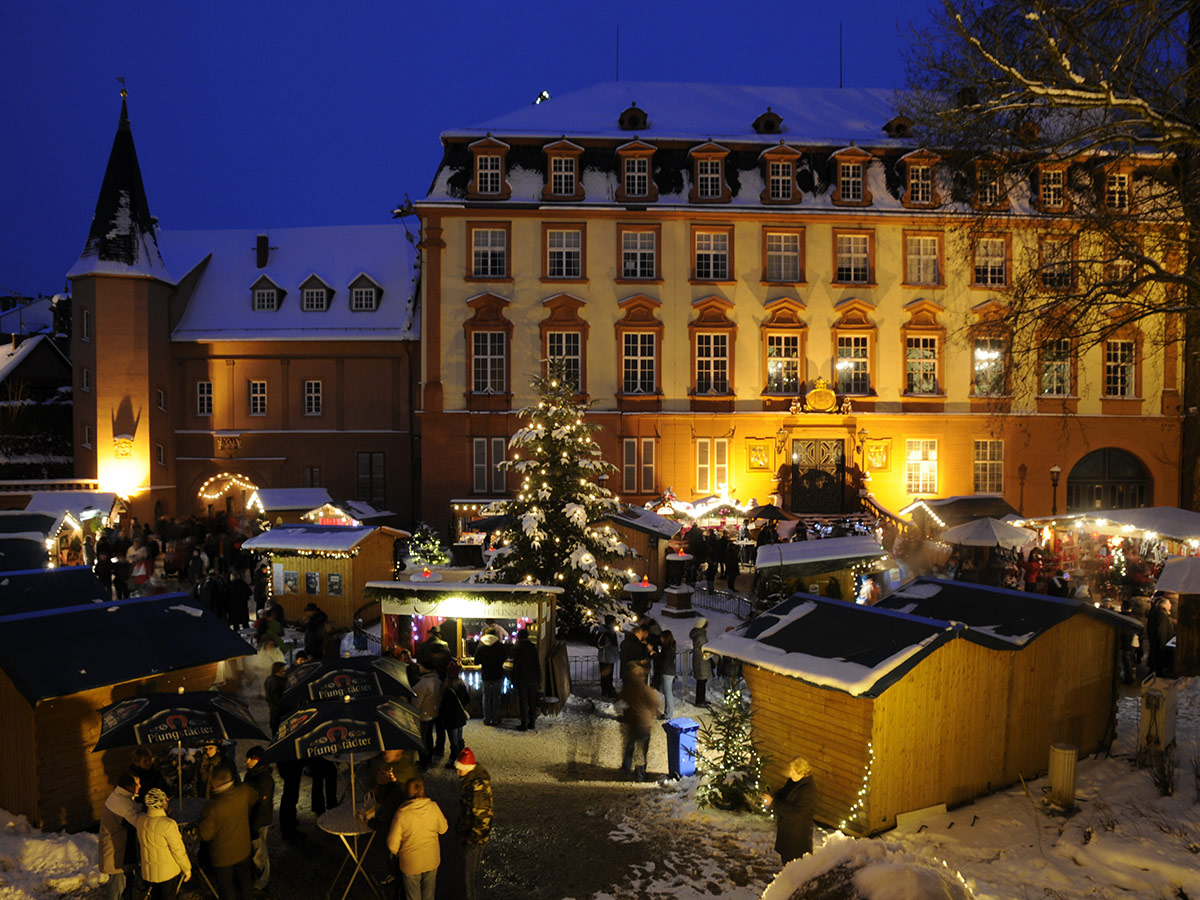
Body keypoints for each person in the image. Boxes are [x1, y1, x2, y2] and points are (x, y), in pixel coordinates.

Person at [197, 765, 257, 900]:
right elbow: (255, 798)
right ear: (231, 778)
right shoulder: (244, 791)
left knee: (227, 888)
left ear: (213, 782)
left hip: (223, 857)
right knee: (246, 882)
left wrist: (200, 822)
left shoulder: (212, 807)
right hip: (243, 849)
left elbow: (206, 836)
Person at [386, 777, 448, 900]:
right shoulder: (433, 807)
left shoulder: (402, 814)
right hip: (431, 860)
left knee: (413, 896)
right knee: (429, 895)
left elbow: (392, 843)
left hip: (411, 863)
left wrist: (399, 853)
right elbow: (443, 828)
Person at [133, 788, 191, 900]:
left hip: (149, 872)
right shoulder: (168, 825)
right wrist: (186, 868)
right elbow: (177, 850)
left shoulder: (141, 820)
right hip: (167, 872)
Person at [454, 748, 493, 900]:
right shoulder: (473, 780)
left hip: (473, 838)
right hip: (471, 834)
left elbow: (482, 816)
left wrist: (472, 837)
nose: (457, 773)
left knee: (469, 877)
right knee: (472, 875)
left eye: (459, 770)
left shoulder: (476, 786)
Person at [763, 756, 818, 863]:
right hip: (788, 831)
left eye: (792, 771)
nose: (790, 773)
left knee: (795, 863)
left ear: (802, 772)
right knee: (786, 860)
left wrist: (773, 803)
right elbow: (784, 793)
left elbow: (796, 813)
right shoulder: (794, 781)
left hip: (797, 837)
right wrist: (773, 797)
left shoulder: (808, 791)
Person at [99, 773, 141, 900]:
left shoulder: (119, 797)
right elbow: (138, 822)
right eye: (137, 784)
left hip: (119, 852)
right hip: (117, 854)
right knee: (117, 887)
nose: (140, 786)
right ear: (129, 787)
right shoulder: (122, 804)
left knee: (124, 884)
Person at [243, 747, 274, 892]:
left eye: (252, 758)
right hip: (250, 818)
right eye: (248, 757)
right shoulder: (251, 775)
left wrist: (255, 827)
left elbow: (263, 806)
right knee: (255, 849)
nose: (247, 761)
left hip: (259, 821)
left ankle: (262, 881)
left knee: (259, 851)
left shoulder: (265, 780)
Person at [619, 666, 659, 781]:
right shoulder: (647, 690)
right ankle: (640, 774)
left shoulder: (629, 689)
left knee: (630, 746)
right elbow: (655, 705)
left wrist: (625, 712)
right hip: (645, 724)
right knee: (642, 750)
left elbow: (619, 700)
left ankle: (626, 769)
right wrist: (653, 714)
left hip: (633, 722)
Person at [439, 662, 471, 767]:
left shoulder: (447, 686)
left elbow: (444, 704)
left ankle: (454, 760)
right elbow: (467, 699)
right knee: (459, 738)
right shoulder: (461, 683)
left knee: (453, 741)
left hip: (450, 716)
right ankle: (462, 758)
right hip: (460, 715)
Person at [474, 629, 508, 725]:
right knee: (496, 697)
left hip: (486, 674)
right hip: (497, 674)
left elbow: (476, 661)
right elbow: (504, 657)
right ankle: (496, 718)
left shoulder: (481, 646)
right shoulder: (499, 646)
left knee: (486, 697)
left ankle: (487, 719)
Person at [413, 664, 444, 768]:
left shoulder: (423, 684)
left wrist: (413, 712)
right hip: (433, 713)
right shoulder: (438, 681)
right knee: (429, 736)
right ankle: (429, 758)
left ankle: (423, 761)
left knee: (422, 739)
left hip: (423, 714)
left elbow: (417, 702)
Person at [512, 627, 540, 731]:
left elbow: (515, 665)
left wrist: (513, 678)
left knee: (523, 701)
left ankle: (524, 724)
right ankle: (532, 723)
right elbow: (537, 663)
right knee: (532, 700)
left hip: (522, 678)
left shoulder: (517, 648)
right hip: (533, 677)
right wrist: (539, 678)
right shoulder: (532, 647)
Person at [1146, 595, 1176, 677]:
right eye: (1169, 603)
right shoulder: (1162, 615)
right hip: (1161, 644)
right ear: (1164, 605)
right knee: (1157, 663)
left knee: (1155, 663)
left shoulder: (1157, 613)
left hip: (1157, 643)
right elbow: (1161, 631)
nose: (1171, 605)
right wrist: (1162, 644)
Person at [1119, 599, 1144, 684]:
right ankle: (1131, 675)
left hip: (1127, 642)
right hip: (1134, 642)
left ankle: (1129, 678)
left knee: (1127, 660)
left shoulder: (1121, 617)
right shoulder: (1135, 617)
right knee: (1131, 659)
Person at [654, 631, 678, 720]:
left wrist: (656, 655)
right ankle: (668, 712)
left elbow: (663, 662)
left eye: (662, 637)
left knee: (668, 693)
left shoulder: (667, 649)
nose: (660, 639)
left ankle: (668, 714)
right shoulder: (671, 647)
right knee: (668, 692)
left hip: (667, 672)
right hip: (669, 671)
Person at [597, 615, 620, 698]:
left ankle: (605, 691)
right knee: (608, 676)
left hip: (602, 656)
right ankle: (609, 691)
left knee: (604, 676)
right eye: (614, 621)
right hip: (609, 657)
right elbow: (614, 646)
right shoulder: (610, 632)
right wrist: (617, 653)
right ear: (611, 622)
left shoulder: (601, 630)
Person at [690, 618, 712, 706]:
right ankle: (699, 701)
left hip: (699, 660)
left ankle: (701, 699)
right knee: (701, 682)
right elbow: (705, 648)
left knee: (702, 681)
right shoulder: (701, 636)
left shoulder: (697, 635)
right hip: (701, 661)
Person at [263, 660, 287, 736]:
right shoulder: (278, 681)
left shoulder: (269, 679)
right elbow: (278, 699)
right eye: (283, 671)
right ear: (277, 671)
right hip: (280, 713)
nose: (284, 673)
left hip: (273, 712)